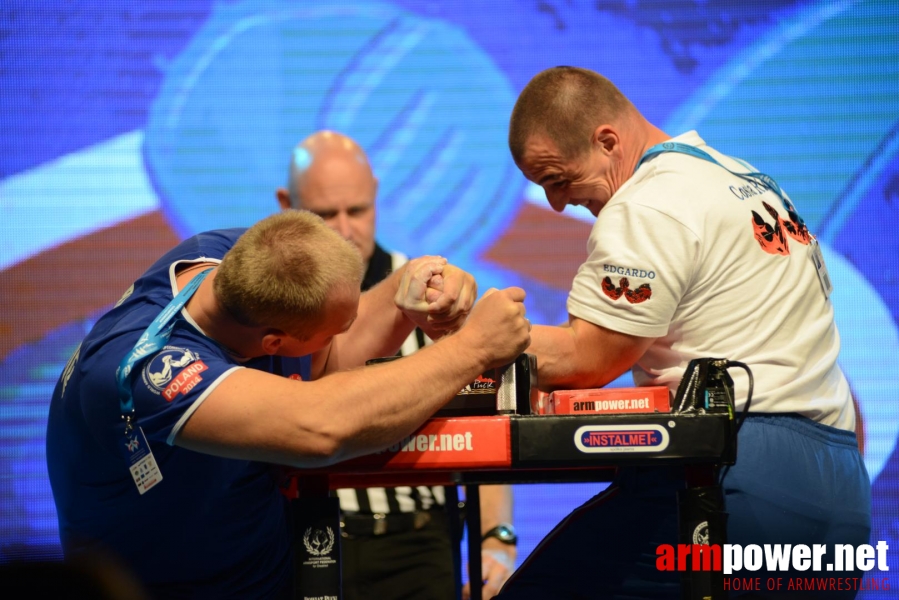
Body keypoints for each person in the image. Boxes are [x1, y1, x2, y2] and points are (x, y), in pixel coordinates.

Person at [497, 66, 871, 598]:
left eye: (558, 179)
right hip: (842, 485)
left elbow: (590, 358)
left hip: (740, 474)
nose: (557, 204)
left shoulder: (650, 202)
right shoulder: (744, 178)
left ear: (607, 141)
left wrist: (475, 340)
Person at [46, 209, 530, 599]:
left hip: (260, 570)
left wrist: (410, 283)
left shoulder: (236, 259)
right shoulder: (150, 373)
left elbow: (327, 355)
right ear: (273, 343)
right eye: (332, 330)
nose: (345, 332)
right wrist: (472, 349)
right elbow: (321, 427)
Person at [276, 130, 517, 600]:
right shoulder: (276, 307)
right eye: (326, 214)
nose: (345, 229)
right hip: (308, 537)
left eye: (358, 210)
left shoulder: (433, 292)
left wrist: (497, 539)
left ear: (376, 196)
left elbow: (483, 422)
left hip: (420, 543)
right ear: (287, 204)